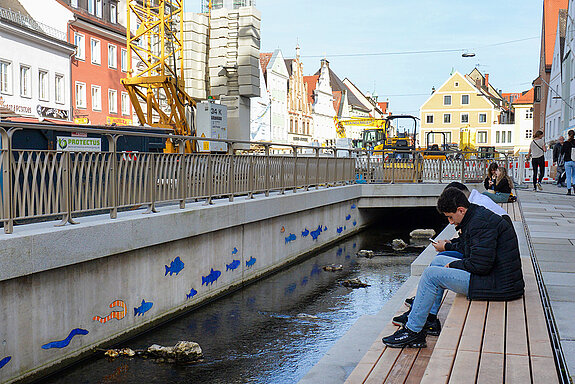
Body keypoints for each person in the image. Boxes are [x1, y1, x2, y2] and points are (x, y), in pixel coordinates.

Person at [382, 188, 524, 348]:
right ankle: (429, 319)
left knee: (431, 275)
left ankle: (413, 332)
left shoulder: (480, 223)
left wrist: (454, 264)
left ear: (461, 210)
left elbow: (480, 265)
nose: (450, 221)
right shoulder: (475, 216)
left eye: (450, 217)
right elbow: (468, 247)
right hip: (495, 277)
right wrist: (448, 246)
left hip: (498, 285)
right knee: (438, 261)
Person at [562, 130, 575, 195]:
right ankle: (574, 188)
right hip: (574, 161)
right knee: (574, 175)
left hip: (567, 161)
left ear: (568, 135)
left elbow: (562, 152)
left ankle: (569, 190)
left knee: (568, 176)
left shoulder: (566, 143)